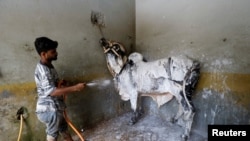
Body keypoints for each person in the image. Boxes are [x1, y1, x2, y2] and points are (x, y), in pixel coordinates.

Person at [34, 37, 86, 141]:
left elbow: (51, 87)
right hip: (49, 110)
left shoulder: (49, 66)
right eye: (53, 52)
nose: (56, 53)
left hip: (55, 107)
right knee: (53, 133)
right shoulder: (44, 71)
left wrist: (58, 83)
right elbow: (52, 92)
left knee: (63, 128)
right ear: (43, 54)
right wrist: (75, 88)